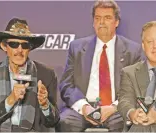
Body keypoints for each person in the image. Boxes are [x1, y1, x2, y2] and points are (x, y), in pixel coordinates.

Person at [57, 0, 143, 132]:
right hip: (83, 109)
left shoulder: (132, 50)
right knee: (65, 121)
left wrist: (114, 107)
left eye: (107, 18)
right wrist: (84, 107)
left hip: (116, 109)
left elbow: (135, 88)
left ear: (117, 22)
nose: (101, 22)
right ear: (93, 22)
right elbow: (66, 85)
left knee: (124, 122)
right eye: (98, 18)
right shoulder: (77, 48)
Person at [0, 18, 59, 132]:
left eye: (25, 45)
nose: (19, 50)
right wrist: (10, 100)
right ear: (4, 46)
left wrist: (45, 104)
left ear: (30, 48)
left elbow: (53, 121)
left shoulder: (46, 75)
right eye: (14, 44)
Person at [118, 21, 156, 132]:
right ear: (143, 45)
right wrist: (132, 113)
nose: (155, 46)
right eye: (150, 42)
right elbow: (125, 100)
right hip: (138, 126)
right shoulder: (128, 73)